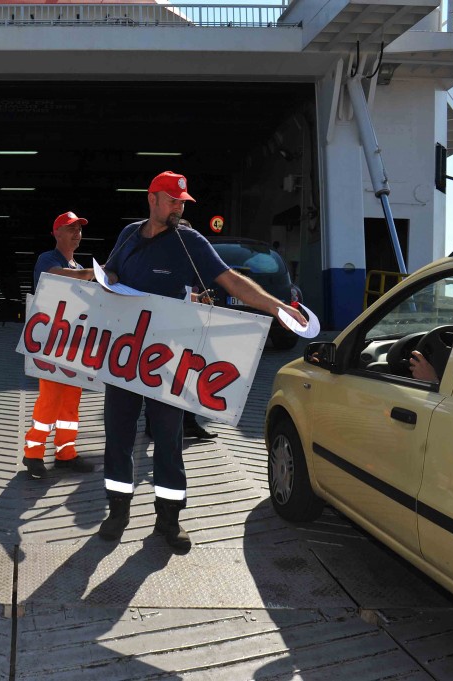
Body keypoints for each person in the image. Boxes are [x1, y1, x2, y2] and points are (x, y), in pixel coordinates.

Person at [98, 171, 306, 551]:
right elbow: (110, 268)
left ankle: (169, 518)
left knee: (168, 440)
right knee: (118, 436)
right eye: (173, 200)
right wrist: (108, 279)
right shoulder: (129, 234)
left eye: (183, 202)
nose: (179, 207)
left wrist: (279, 306)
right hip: (124, 356)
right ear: (153, 198)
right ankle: (118, 510)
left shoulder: (189, 240)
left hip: (168, 359)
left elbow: (232, 282)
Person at [22, 211, 97, 479]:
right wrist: (94, 274)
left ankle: (65, 452)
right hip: (51, 342)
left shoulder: (78, 267)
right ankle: (33, 454)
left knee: (70, 402)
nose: (77, 233)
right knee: (50, 400)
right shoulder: (49, 259)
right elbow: (54, 276)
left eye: (79, 228)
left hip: (72, 343)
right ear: (56, 233)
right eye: (70, 228)